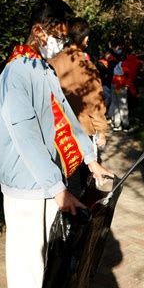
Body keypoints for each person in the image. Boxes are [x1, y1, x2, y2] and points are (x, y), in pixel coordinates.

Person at [0, 0, 112, 288]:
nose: (61, 43)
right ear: (39, 30)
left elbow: (66, 118)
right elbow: (26, 136)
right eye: (58, 36)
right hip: (26, 185)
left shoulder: (43, 69)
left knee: (45, 262)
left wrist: (89, 158)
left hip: (48, 181)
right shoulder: (16, 72)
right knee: (26, 267)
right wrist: (58, 187)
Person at [48, 17, 109, 188]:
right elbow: (95, 103)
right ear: (85, 40)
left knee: (63, 181)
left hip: (57, 133)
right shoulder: (88, 68)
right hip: (81, 134)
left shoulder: (52, 63)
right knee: (82, 184)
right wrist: (101, 130)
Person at [108, 49, 143, 132]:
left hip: (114, 83)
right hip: (121, 85)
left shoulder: (124, 62)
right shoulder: (135, 63)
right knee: (123, 105)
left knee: (115, 103)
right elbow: (130, 79)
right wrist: (134, 92)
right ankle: (126, 126)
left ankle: (117, 125)